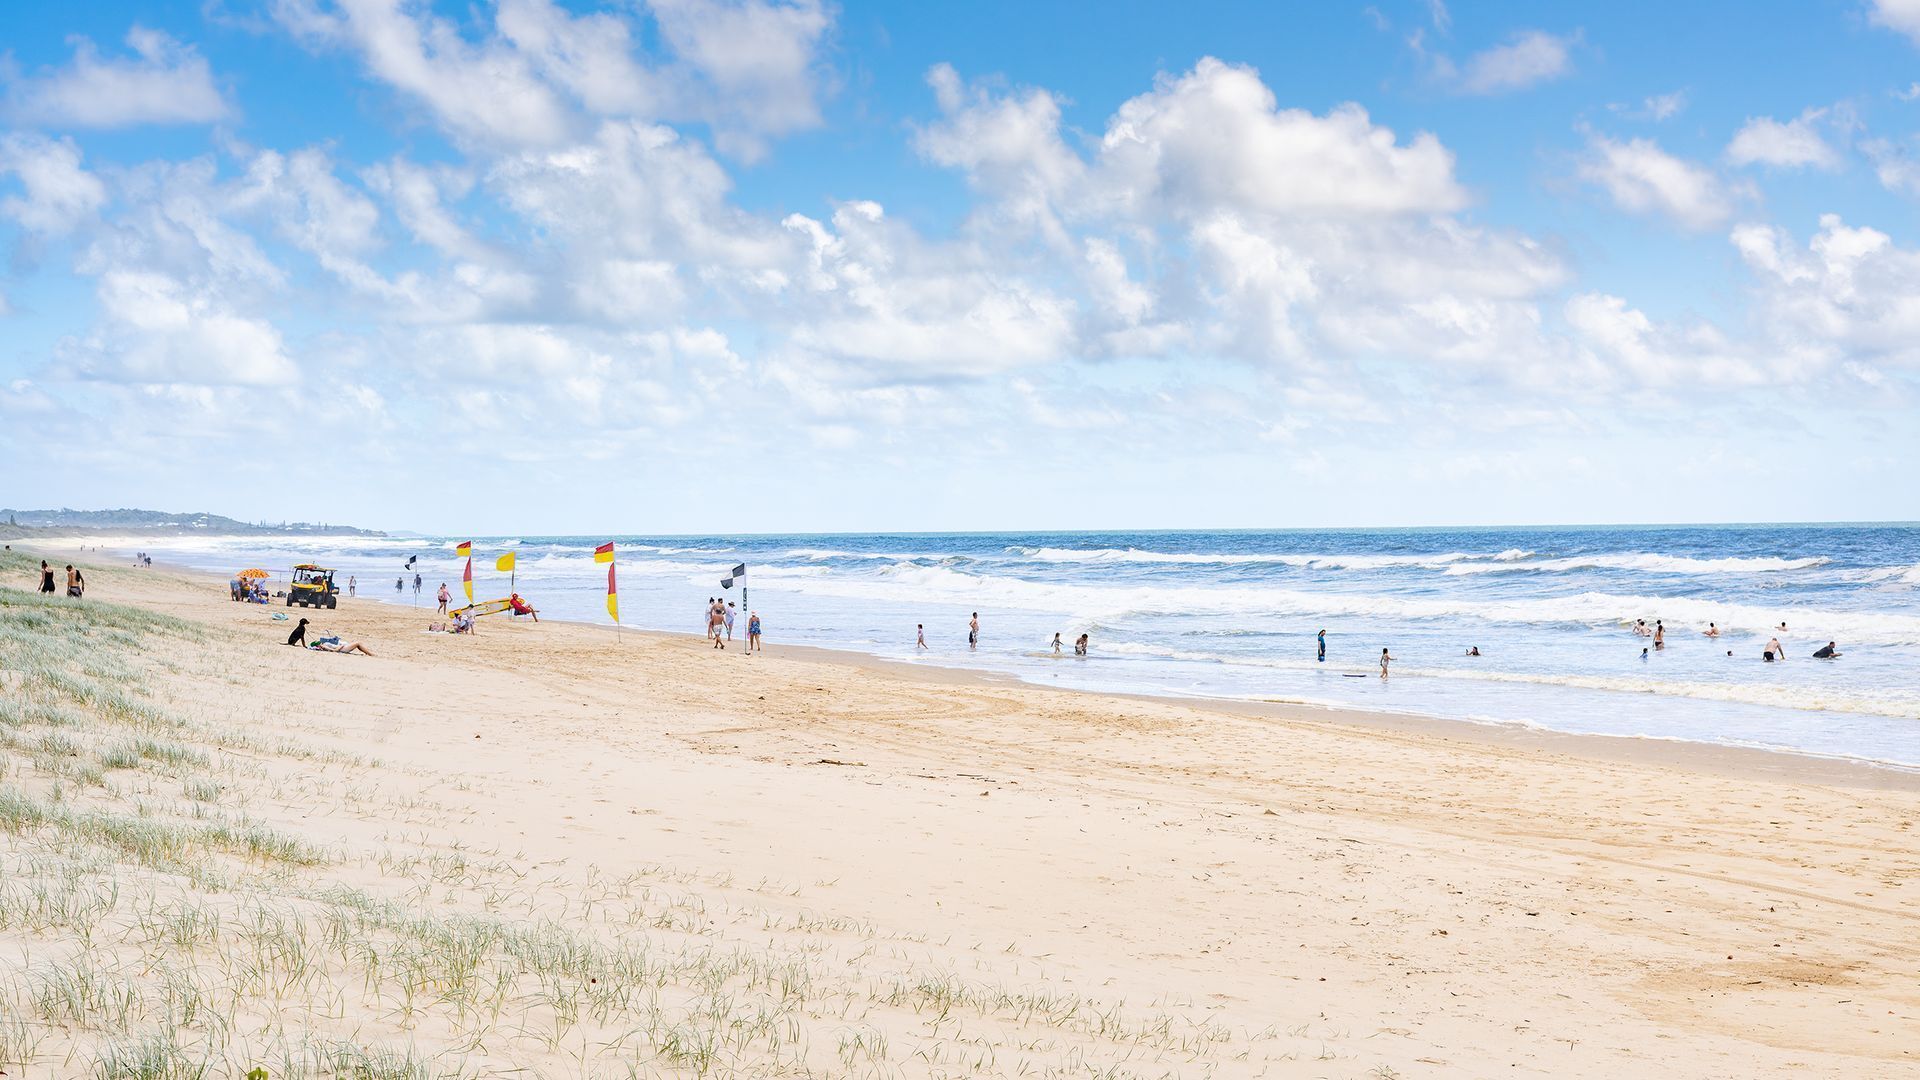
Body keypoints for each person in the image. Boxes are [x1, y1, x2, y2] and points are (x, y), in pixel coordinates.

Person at [311, 640, 376, 655]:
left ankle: (369, 653)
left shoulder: (324, 645)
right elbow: (334, 651)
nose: (320, 642)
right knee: (358, 643)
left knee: (358, 643)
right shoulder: (323, 646)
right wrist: (341, 646)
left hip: (343, 647)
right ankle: (370, 654)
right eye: (318, 643)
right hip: (343, 649)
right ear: (318, 645)